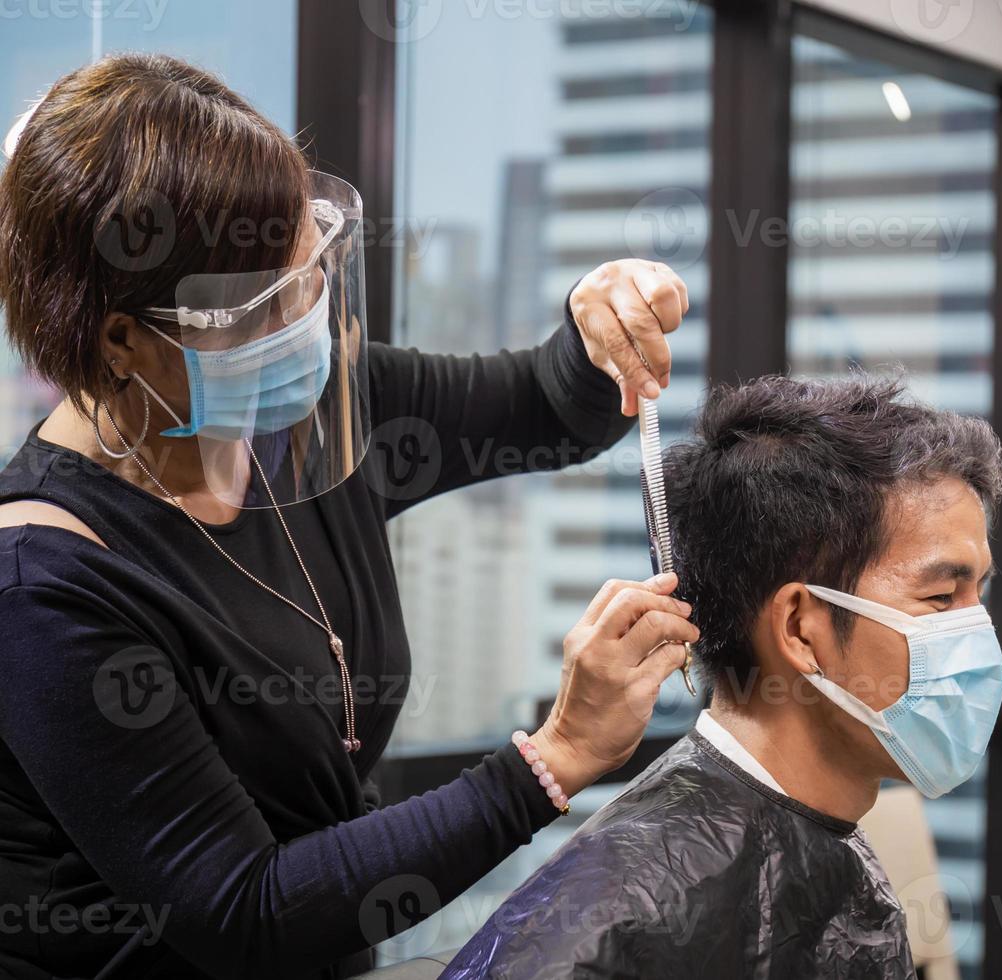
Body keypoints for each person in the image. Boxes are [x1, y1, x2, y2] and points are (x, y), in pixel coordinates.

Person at [0, 54, 700, 979]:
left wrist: (601, 320)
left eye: (309, 273)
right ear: (123, 338)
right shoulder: (43, 587)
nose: (308, 324)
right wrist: (556, 758)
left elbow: (544, 404)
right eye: (263, 307)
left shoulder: (305, 420)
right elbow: (244, 908)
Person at [444, 375, 1002, 979]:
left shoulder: (831, 843)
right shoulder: (622, 915)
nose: (977, 632)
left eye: (980, 590)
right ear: (800, 629)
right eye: (943, 596)